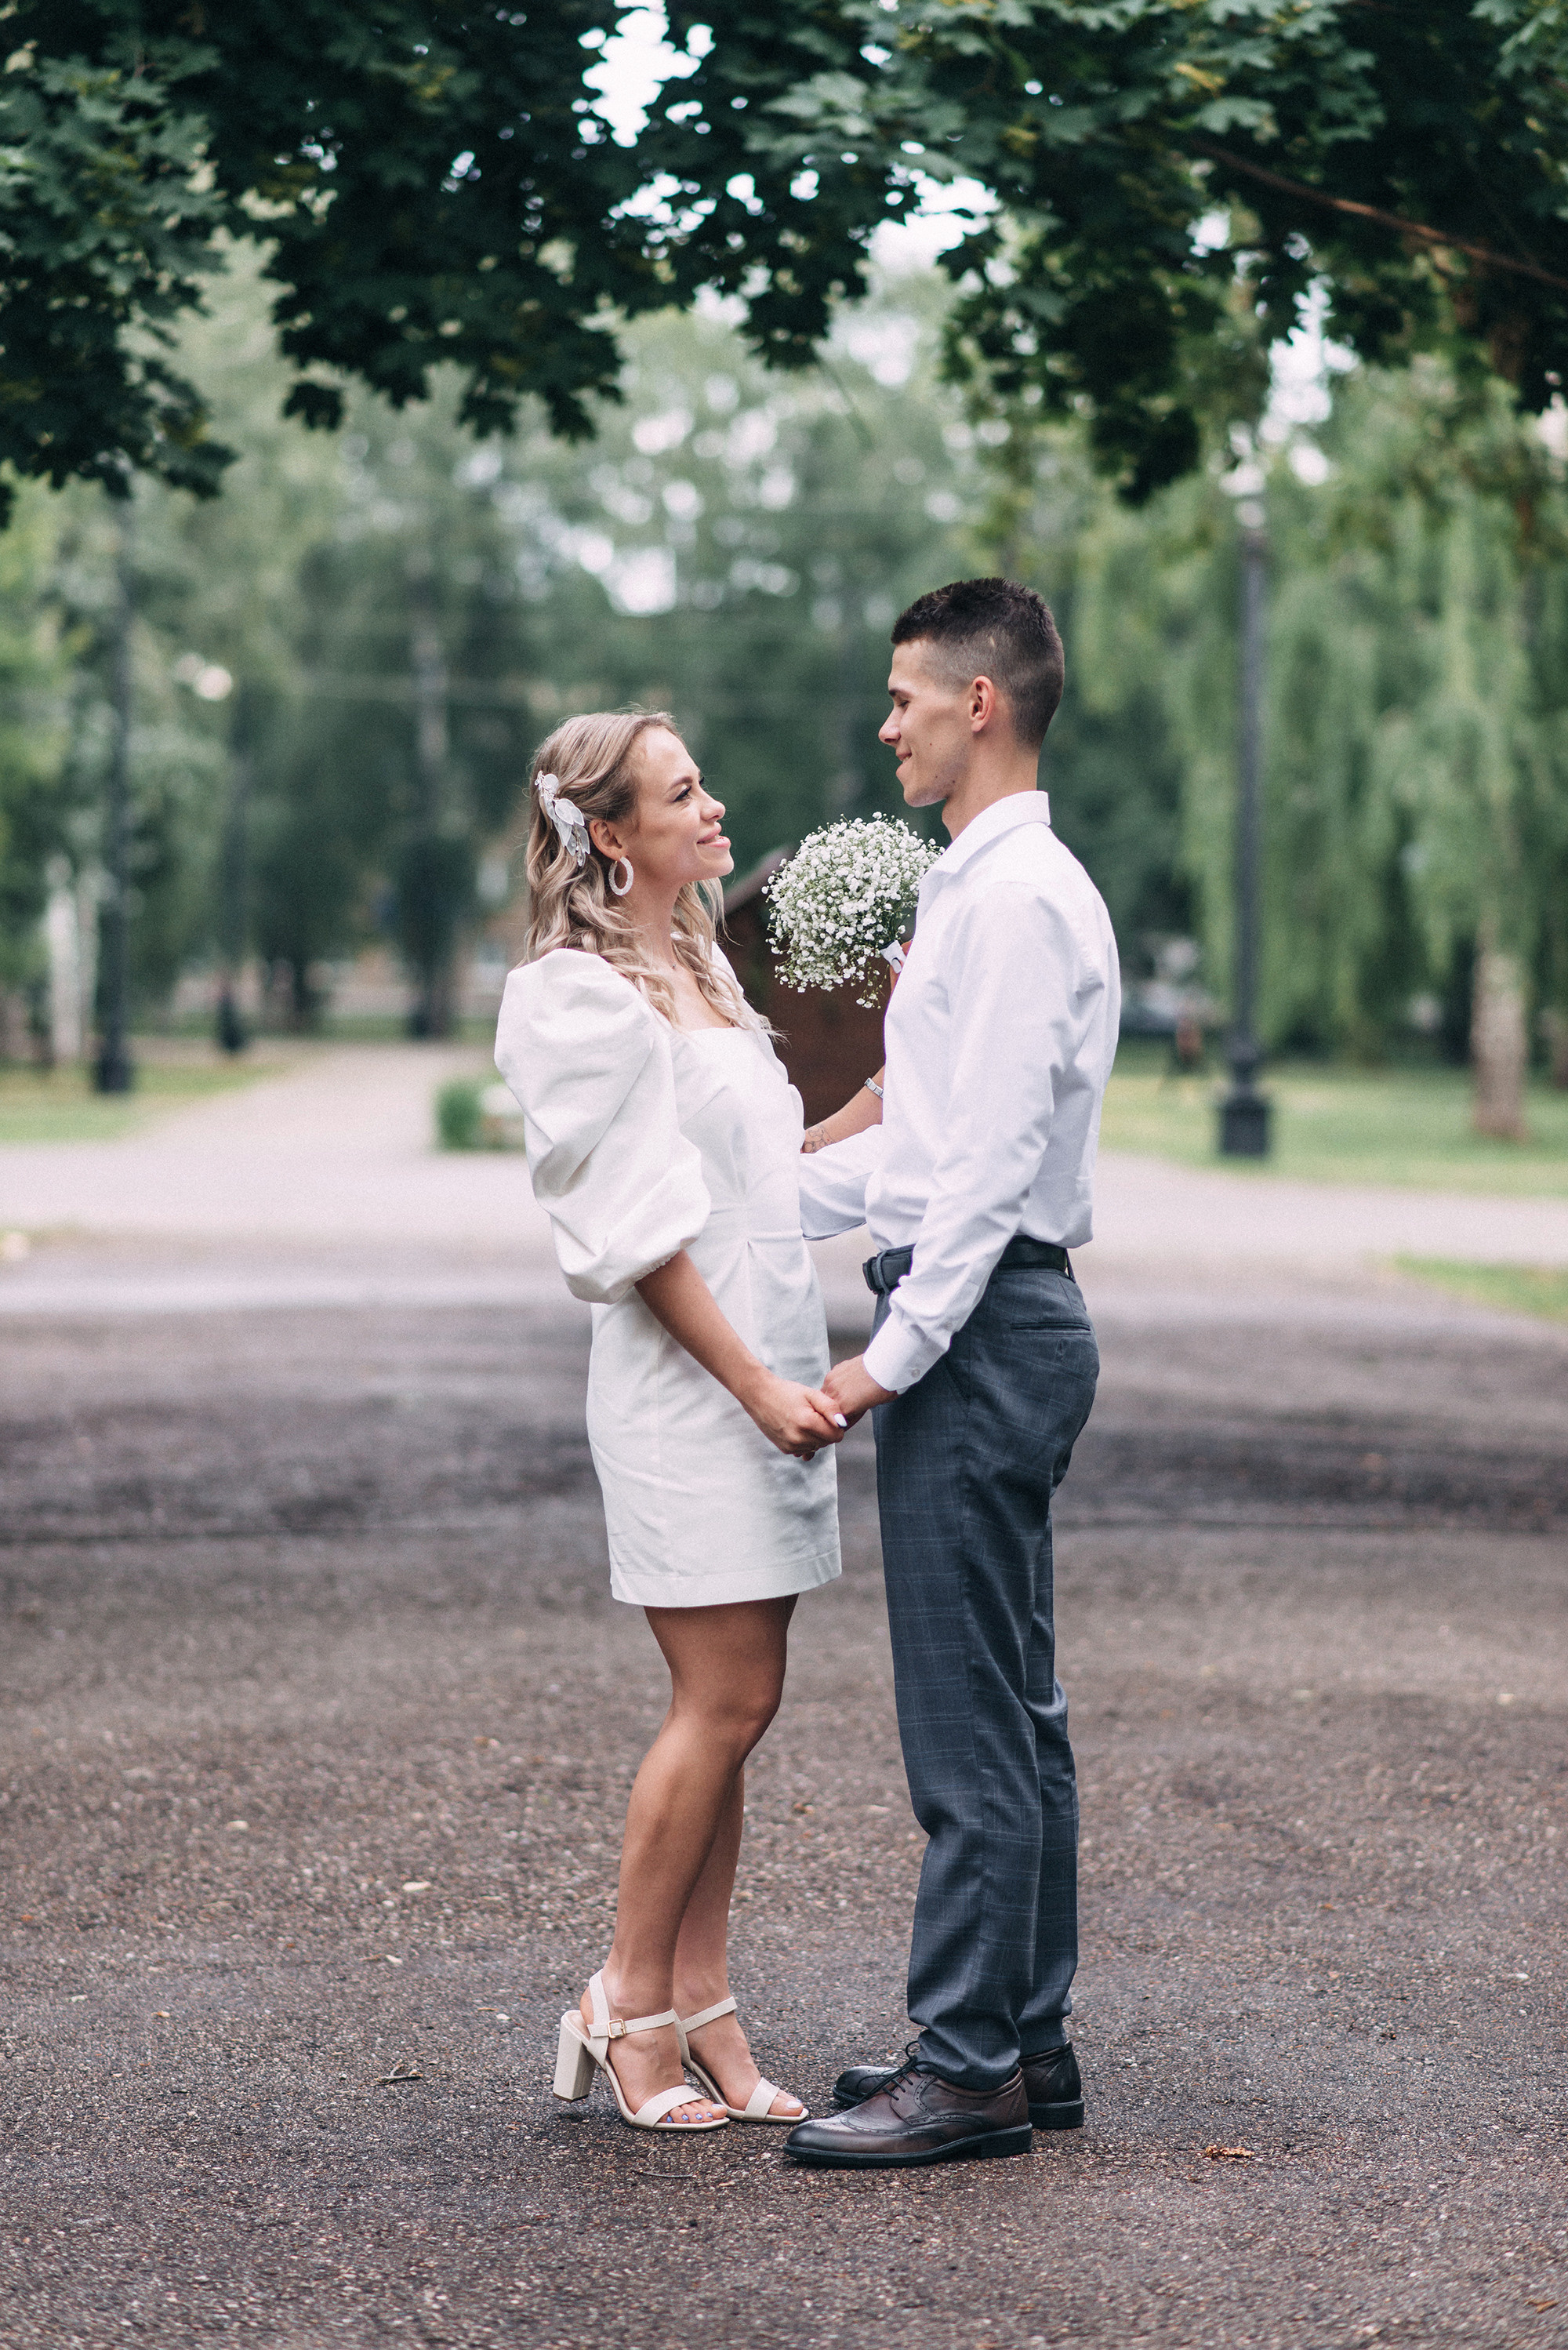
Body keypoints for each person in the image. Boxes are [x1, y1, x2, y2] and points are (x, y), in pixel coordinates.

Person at [785, 578, 1121, 2170]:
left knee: (970, 1722)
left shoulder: (1015, 900)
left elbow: (981, 1171)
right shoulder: (989, 887)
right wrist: (740, 1195)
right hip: (994, 1315)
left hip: (980, 1330)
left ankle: (969, 2063)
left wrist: (887, 1357)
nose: (886, 726)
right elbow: (919, 1154)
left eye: (904, 696)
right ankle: (1025, 2040)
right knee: (1014, 1706)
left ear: (978, 701)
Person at [495, 709, 865, 2136]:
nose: (714, 807)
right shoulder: (577, 998)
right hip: (690, 1388)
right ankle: (626, 1997)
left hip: (769, 1364)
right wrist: (757, 1386)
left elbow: (763, 1177)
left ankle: (704, 1997)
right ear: (609, 832)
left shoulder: (700, 964)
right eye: (682, 791)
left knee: (742, 1705)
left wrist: (889, 1098)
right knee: (720, 1699)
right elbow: (639, 1232)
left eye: (705, 782)